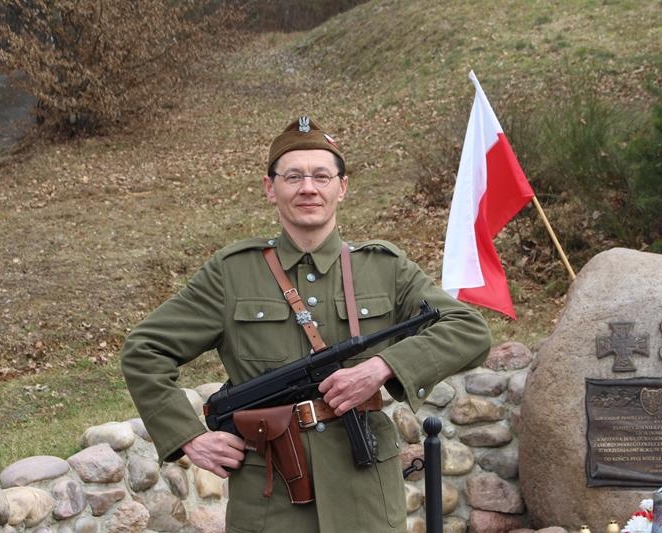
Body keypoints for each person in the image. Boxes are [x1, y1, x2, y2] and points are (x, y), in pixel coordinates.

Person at [121, 116, 492, 533]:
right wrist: (189, 437)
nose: (308, 188)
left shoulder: (383, 267)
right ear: (270, 188)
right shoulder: (232, 273)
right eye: (293, 176)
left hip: (366, 490)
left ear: (342, 187)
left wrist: (382, 367)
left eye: (321, 176)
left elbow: (468, 329)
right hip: (270, 493)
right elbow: (144, 350)